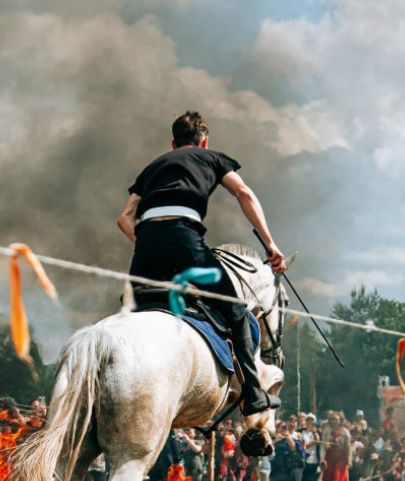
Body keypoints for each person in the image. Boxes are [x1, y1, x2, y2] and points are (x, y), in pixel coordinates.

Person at [117, 111, 286, 417]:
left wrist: (146, 246)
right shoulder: (212, 157)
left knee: (130, 312)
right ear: (204, 141)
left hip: (146, 246)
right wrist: (271, 245)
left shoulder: (152, 167)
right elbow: (243, 193)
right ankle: (253, 394)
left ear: (173, 143)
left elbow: (124, 218)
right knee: (235, 309)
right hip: (185, 241)